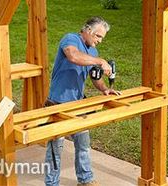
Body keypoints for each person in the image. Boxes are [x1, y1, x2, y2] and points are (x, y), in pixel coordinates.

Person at [44, 16, 121, 186]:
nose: (100, 40)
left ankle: (85, 180)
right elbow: (73, 56)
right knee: (55, 149)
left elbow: (94, 77)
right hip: (57, 103)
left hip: (78, 104)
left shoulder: (92, 52)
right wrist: (100, 61)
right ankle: (52, 184)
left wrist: (104, 89)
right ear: (87, 30)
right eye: (98, 36)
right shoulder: (71, 39)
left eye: (102, 38)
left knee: (83, 144)